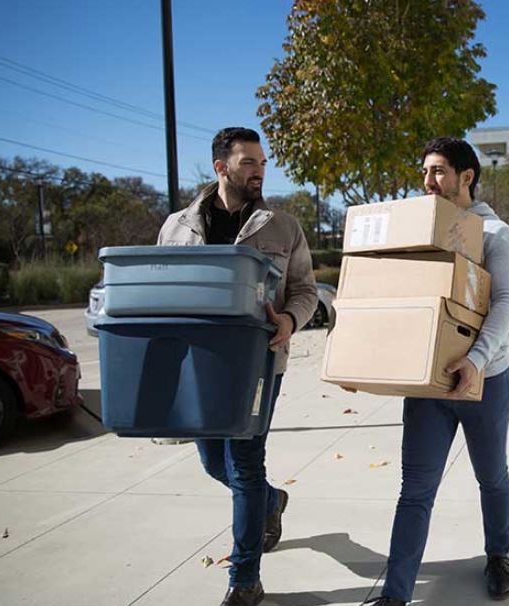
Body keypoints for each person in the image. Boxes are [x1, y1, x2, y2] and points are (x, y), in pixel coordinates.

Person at [157, 127, 317, 606]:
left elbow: (306, 290)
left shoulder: (282, 227)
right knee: (213, 462)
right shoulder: (176, 227)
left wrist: (290, 320)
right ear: (221, 167)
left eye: (263, 162)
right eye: (248, 162)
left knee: (245, 466)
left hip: (258, 365)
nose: (259, 171)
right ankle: (271, 501)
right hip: (197, 365)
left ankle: (245, 578)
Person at [367, 137, 509, 605]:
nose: (427, 181)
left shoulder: (498, 235)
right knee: (415, 490)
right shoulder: (425, 233)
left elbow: (506, 304)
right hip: (429, 383)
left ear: (466, 177)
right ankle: (395, 596)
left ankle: (498, 555)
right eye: (425, 172)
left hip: (486, 381)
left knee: (491, 475)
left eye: (437, 171)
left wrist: (474, 362)